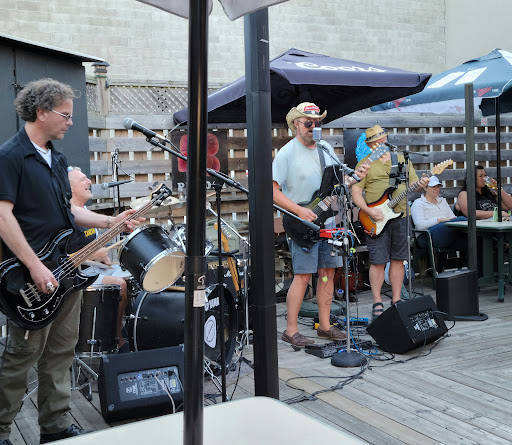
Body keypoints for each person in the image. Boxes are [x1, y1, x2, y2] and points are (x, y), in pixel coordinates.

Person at [0, 78, 142, 445]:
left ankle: (55, 426)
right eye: (65, 115)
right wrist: (35, 265)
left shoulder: (57, 158)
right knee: (21, 357)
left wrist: (112, 221)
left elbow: (68, 212)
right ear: (41, 112)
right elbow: (3, 215)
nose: (71, 122)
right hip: (29, 278)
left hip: (65, 274)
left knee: (61, 352)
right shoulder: (10, 157)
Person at [272, 102, 368, 347]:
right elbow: (271, 190)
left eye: (317, 122)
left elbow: (335, 183)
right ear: (296, 124)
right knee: (303, 276)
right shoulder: (286, 153)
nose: (313, 127)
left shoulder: (326, 148)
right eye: (308, 123)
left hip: (327, 221)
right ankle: (291, 330)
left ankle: (325, 326)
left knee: (327, 273)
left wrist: (355, 178)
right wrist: (299, 210)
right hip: (301, 223)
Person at [351, 125, 428, 321]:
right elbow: (356, 193)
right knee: (378, 261)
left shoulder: (402, 159)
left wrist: (421, 185)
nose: (379, 143)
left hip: (401, 215)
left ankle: (396, 299)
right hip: (375, 218)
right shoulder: (365, 163)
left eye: (381, 139)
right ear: (370, 145)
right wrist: (369, 210)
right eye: (375, 142)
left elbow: (414, 185)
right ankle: (377, 301)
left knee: (398, 259)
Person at [67, 166, 133, 352]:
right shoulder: (66, 217)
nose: (89, 182)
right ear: (69, 188)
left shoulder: (84, 211)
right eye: (82, 179)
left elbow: (92, 245)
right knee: (119, 284)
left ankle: (121, 329)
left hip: (92, 268)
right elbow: (64, 256)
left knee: (132, 278)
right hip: (77, 275)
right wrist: (93, 254)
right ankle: (115, 337)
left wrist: (102, 258)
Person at [411, 176, 467, 252]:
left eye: (437, 186)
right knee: (462, 220)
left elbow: (453, 219)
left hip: (446, 235)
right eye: (433, 186)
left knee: (474, 242)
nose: (436, 189)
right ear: (425, 188)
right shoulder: (418, 203)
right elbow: (419, 226)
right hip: (426, 236)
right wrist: (439, 220)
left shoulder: (442, 201)